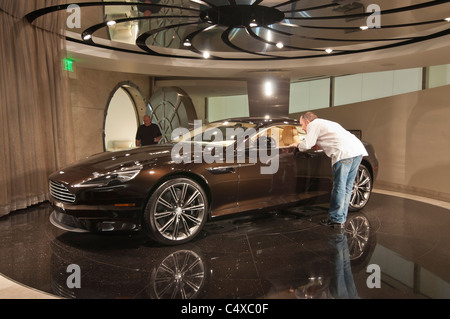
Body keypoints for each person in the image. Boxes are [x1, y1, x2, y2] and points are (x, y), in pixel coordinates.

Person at [290, 111, 368, 229]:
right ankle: (341, 218)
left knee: (339, 187)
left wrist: (297, 144)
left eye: (302, 125)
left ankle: (336, 220)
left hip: (344, 154)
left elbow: (306, 145)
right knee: (347, 187)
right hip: (357, 151)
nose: (302, 127)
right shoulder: (327, 123)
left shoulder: (313, 125)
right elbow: (327, 140)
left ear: (307, 121)